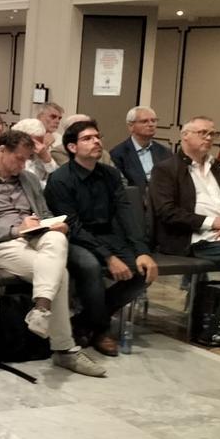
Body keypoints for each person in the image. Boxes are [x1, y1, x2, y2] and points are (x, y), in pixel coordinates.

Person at [0, 130, 106, 377]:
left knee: (57, 238)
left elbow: (45, 213)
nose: (23, 164)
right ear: (2, 151)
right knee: (59, 274)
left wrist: (56, 223)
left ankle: (41, 309)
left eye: (27, 159)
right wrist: (17, 230)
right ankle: (64, 349)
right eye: (19, 158)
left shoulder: (28, 179)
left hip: (37, 238)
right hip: (3, 244)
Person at [45, 120, 157, 356]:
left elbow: (126, 214)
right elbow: (73, 226)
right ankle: (102, 329)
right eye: (87, 138)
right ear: (72, 148)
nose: (96, 141)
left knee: (144, 271)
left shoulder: (110, 174)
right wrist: (108, 258)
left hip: (107, 234)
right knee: (90, 265)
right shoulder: (60, 180)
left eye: (97, 136)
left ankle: (85, 322)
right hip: (75, 238)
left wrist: (141, 250)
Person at [150, 117, 220, 269]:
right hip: (196, 239)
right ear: (185, 135)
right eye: (203, 133)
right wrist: (213, 222)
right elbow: (167, 212)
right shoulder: (166, 169)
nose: (209, 138)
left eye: (212, 134)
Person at [110, 106, 171, 192]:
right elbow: (121, 187)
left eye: (154, 121)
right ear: (131, 126)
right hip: (135, 201)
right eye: (145, 121)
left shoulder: (165, 152)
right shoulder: (118, 154)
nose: (151, 124)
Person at [12, 118, 59, 186]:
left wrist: (47, 160)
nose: (37, 147)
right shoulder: (11, 157)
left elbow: (58, 180)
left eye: (40, 142)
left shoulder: (41, 153)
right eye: (33, 143)